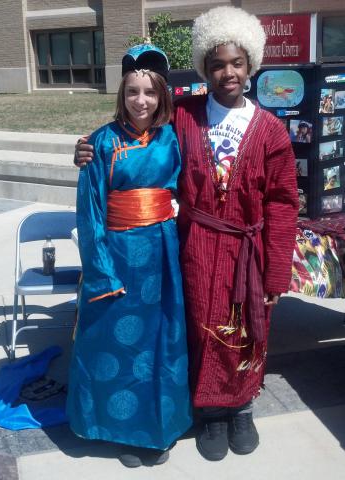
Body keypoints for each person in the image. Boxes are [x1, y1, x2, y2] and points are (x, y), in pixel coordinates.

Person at [74, 5, 298, 463]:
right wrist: (84, 148)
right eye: (217, 64)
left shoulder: (271, 131)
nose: (228, 72)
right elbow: (135, 127)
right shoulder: (186, 117)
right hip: (193, 246)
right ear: (204, 69)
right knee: (195, 328)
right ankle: (209, 413)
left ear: (251, 64)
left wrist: (276, 272)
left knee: (246, 328)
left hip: (246, 251)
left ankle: (240, 408)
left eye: (237, 63)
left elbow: (283, 204)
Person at [67, 44, 192, 469]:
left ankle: (158, 429)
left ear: (162, 96)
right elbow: (90, 212)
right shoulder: (100, 142)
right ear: (121, 94)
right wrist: (101, 273)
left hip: (161, 254)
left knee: (160, 344)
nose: (141, 100)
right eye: (133, 91)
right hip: (118, 256)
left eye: (150, 92)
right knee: (118, 346)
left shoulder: (171, 136)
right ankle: (120, 430)